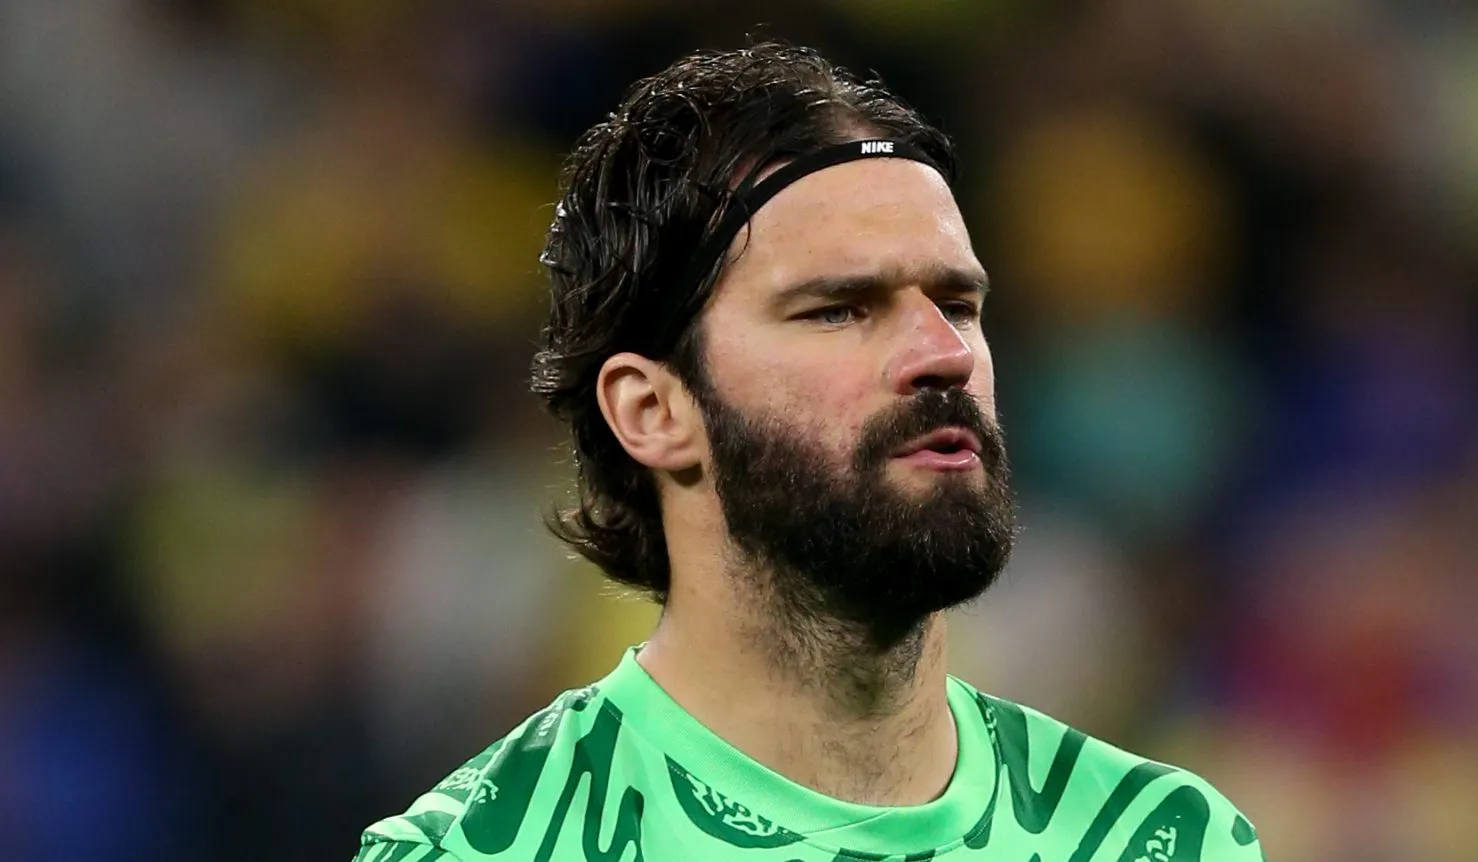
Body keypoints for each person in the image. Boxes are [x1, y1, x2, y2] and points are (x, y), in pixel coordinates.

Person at [353, 42, 1265, 862]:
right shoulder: (481, 852)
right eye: (839, 308)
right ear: (653, 410)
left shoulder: (1160, 839)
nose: (944, 355)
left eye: (956, 304)